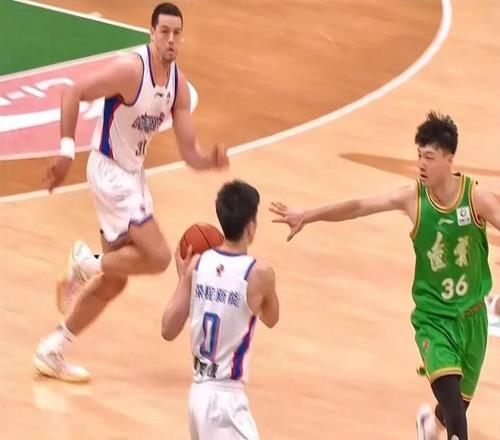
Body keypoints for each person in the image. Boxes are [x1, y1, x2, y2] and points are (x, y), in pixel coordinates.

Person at [271, 112, 499, 440]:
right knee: (455, 415)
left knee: (457, 406)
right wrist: (308, 214)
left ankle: (429, 427)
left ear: (449, 160)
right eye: (419, 156)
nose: (421, 164)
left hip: (473, 319)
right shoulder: (411, 198)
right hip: (434, 320)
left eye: (429, 157)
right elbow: (358, 206)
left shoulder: (476, 199)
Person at [34, 2, 228, 382]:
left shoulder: (177, 87)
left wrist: (210, 160)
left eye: (176, 33)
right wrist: (66, 152)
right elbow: (72, 91)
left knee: (115, 279)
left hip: (132, 177)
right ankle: (84, 262)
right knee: (158, 257)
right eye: (164, 32)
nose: (170, 39)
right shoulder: (131, 70)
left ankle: (52, 349)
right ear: (151, 34)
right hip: (109, 171)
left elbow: (189, 152)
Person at [162, 180, 279, 440]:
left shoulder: (197, 265)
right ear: (251, 226)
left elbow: (168, 329)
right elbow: (272, 318)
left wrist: (184, 281)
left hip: (198, 395)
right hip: (226, 401)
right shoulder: (259, 273)